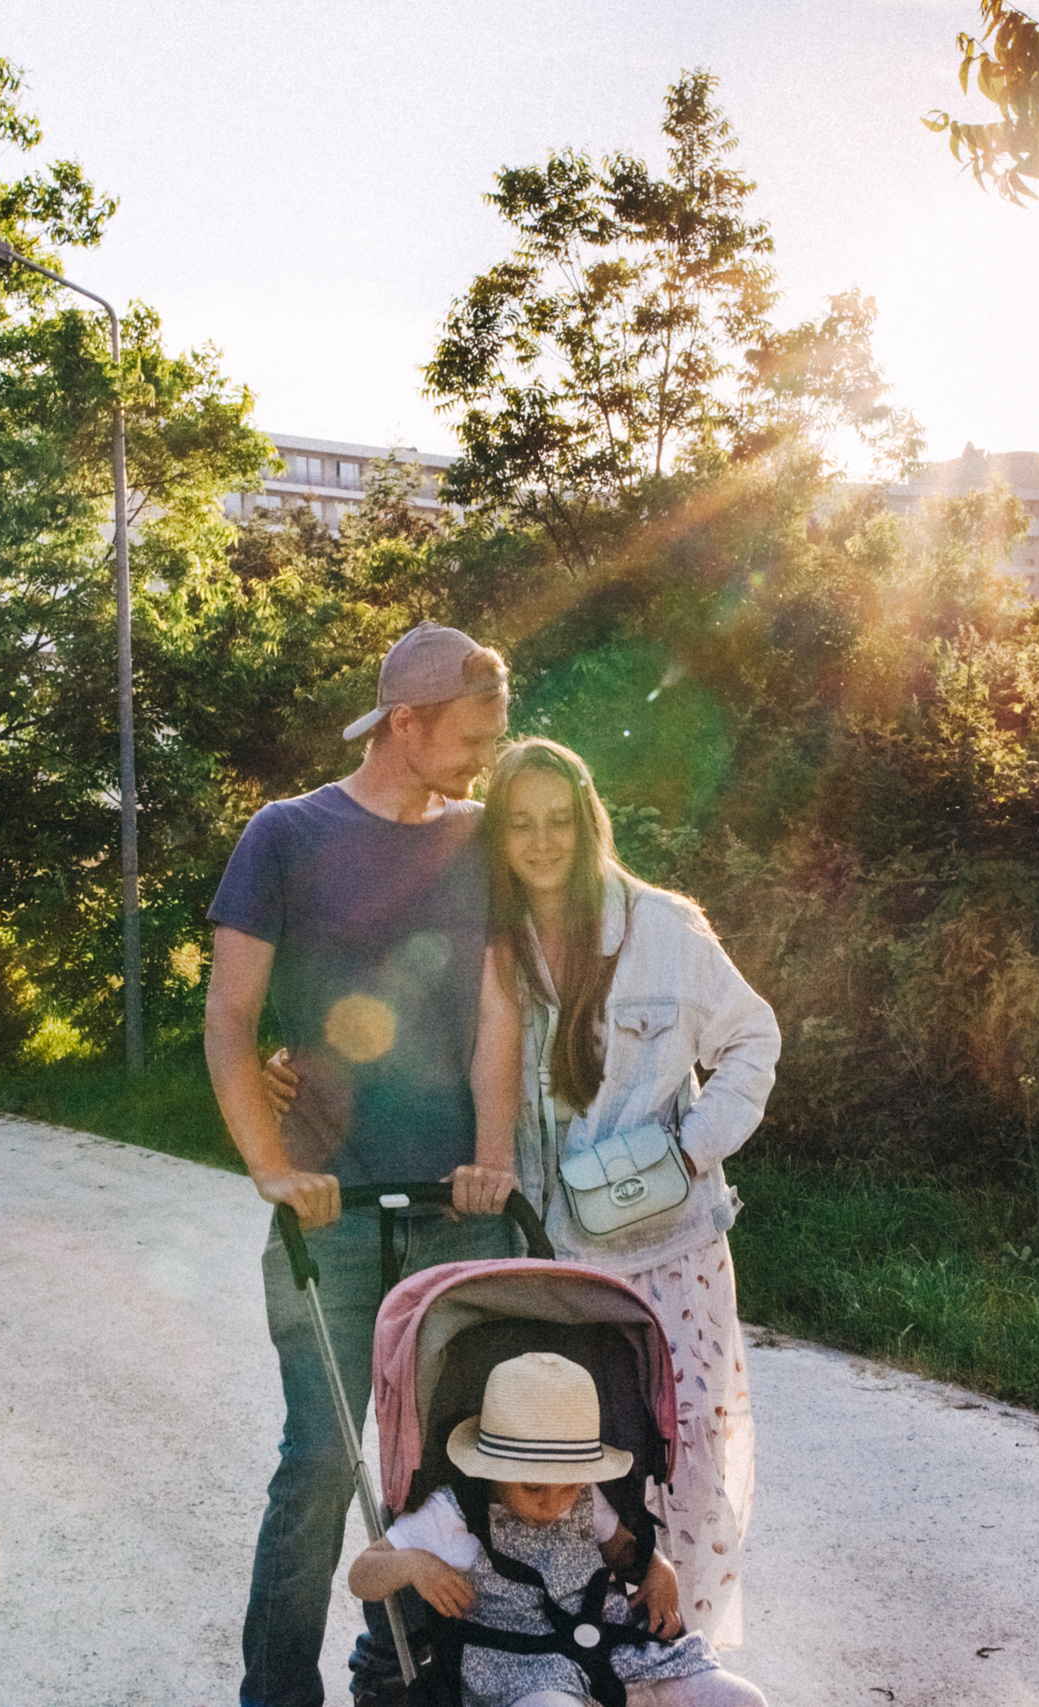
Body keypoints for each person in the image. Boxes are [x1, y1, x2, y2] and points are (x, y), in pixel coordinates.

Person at [207, 622, 531, 1707]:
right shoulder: (285, 835)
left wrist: (492, 1158)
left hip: (460, 1209)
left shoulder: (480, 836)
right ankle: (276, 1695)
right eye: (471, 736)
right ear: (406, 721)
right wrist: (270, 1166)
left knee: (454, 1466)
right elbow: (230, 1015)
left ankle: (414, 1678)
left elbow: (496, 1011)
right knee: (321, 1464)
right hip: (329, 1214)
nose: (486, 754)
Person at [483, 738, 778, 1650]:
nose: (541, 841)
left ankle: (684, 1648)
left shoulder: (662, 928)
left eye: (558, 821)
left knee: (684, 1456)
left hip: (672, 1249)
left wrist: (689, 1151)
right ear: (499, 833)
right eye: (520, 823)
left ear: (587, 819)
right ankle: (586, 1649)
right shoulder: (497, 945)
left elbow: (752, 1039)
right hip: (555, 1255)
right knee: (578, 1460)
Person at [350, 1351, 767, 1707]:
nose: (554, 1504)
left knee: (744, 1700)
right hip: (522, 1672)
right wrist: (414, 1565)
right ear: (491, 1469)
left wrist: (658, 1569)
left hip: (615, 1652)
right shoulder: (455, 1510)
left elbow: (624, 1551)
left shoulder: (585, 1496)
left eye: (569, 1486)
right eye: (533, 1488)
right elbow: (362, 1574)